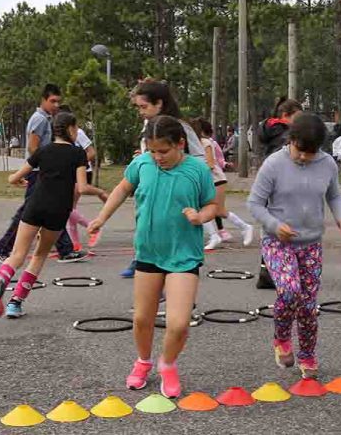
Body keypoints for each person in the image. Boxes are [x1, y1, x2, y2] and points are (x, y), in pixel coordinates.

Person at [86, 116, 217, 398]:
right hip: (148, 253)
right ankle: (143, 361)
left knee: (179, 323)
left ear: (180, 144)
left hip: (183, 255)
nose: (158, 157)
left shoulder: (197, 170)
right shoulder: (143, 164)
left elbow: (212, 206)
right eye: (153, 151)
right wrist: (101, 217)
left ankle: (167, 364)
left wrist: (200, 216)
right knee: (142, 318)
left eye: (164, 151)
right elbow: (123, 188)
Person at [248, 113, 341, 379]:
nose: (305, 157)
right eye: (300, 151)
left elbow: (334, 195)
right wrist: (273, 224)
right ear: (290, 140)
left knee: (308, 305)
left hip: (311, 244)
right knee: (290, 290)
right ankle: (281, 337)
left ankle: (308, 354)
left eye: (311, 153)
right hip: (278, 242)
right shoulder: (273, 164)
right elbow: (254, 204)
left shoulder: (327, 164)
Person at [0, 112, 104, 319]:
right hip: (58, 211)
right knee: (40, 255)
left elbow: (14, 177)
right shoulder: (78, 154)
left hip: (35, 205)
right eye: (76, 129)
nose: (77, 133)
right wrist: (102, 193)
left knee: (17, 255)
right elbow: (83, 187)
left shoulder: (42, 151)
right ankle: (15, 302)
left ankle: (1, 280)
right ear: (69, 129)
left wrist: (17, 181)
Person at [0, 84, 85, 263]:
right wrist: (47, 164)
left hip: (41, 171)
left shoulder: (46, 118)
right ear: (43, 100)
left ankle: (65, 250)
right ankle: (2, 249)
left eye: (58, 101)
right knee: (29, 212)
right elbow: (33, 147)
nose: (56, 105)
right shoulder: (40, 119)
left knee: (49, 209)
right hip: (39, 172)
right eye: (52, 101)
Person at [124, 80, 206, 278]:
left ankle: (177, 278)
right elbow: (124, 185)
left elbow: (198, 159)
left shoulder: (178, 128)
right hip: (153, 197)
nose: (140, 111)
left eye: (144, 106)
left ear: (159, 103)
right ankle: (142, 261)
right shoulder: (150, 127)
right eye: (138, 107)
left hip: (177, 197)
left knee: (174, 239)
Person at [256, 97, 304, 289]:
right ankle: (276, 270)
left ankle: (267, 269)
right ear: (286, 116)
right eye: (298, 117)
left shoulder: (270, 130)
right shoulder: (284, 133)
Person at [190, 118, 253, 250]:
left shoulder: (206, 143)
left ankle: (245, 227)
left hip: (216, 180)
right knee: (201, 209)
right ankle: (215, 235)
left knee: (219, 210)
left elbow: (211, 164)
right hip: (205, 181)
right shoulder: (192, 146)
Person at [59, 105, 106, 251]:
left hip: (82, 172)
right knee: (70, 209)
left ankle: (91, 227)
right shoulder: (61, 137)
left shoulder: (78, 133)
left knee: (66, 208)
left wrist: (77, 162)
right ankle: (75, 244)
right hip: (71, 173)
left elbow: (91, 152)